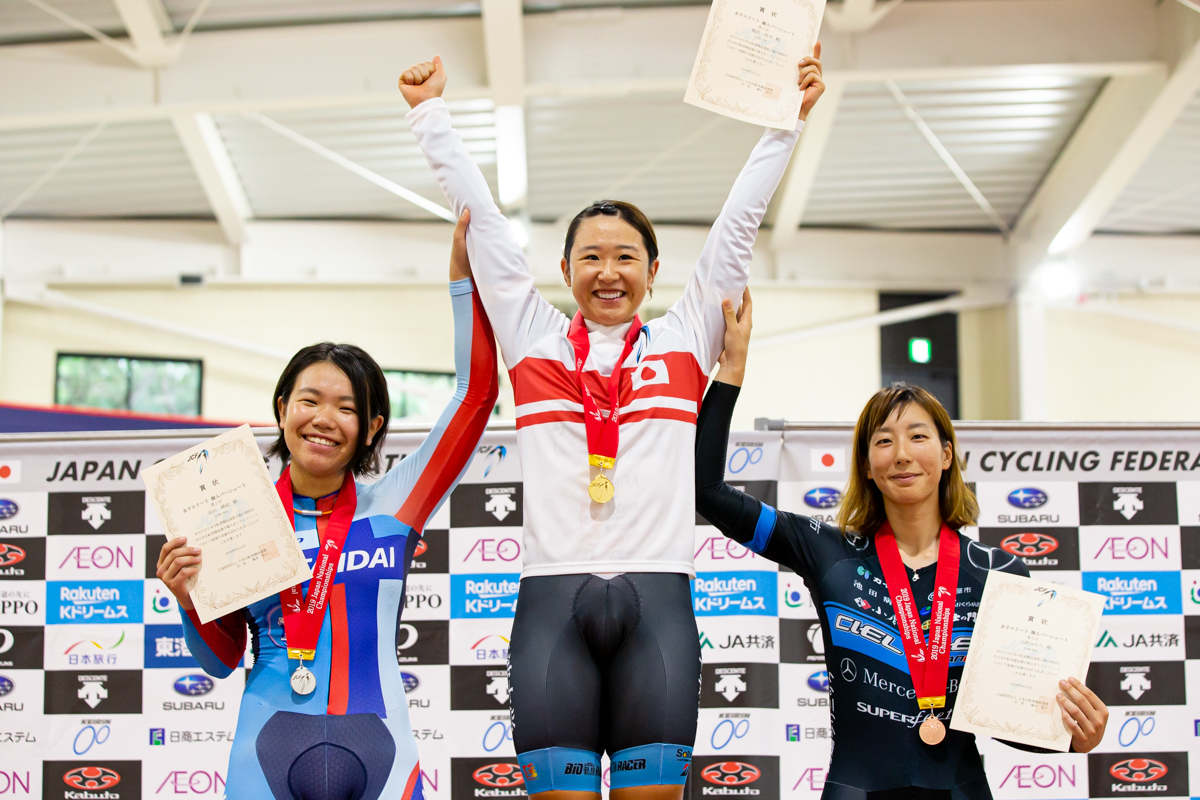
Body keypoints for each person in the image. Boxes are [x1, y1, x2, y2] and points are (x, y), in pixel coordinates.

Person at [398, 51, 824, 800]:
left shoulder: (685, 337)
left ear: (652, 272)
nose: (608, 271)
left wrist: (786, 123)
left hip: (657, 602)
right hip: (550, 605)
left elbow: (737, 224)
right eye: (590, 256)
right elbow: (487, 227)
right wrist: (430, 114)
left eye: (626, 256)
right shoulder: (533, 336)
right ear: (565, 272)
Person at [694, 290, 1109, 800]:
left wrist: (1075, 736)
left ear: (947, 452)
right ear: (867, 465)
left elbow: (1011, 722)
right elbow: (706, 491)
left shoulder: (1001, 574)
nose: (902, 454)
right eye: (884, 441)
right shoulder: (825, 548)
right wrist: (731, 368)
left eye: (918, 436)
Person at [155, 212, 498, 800]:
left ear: (371, 428)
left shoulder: (398, 500)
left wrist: (465, 283)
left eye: (345, 408)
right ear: (283, 408)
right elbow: (220, 661)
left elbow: (477, 394)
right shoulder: (231, 512)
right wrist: (189, 600)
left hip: (380, 748)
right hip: (265, 749)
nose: (323, 419)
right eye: (309, 400)